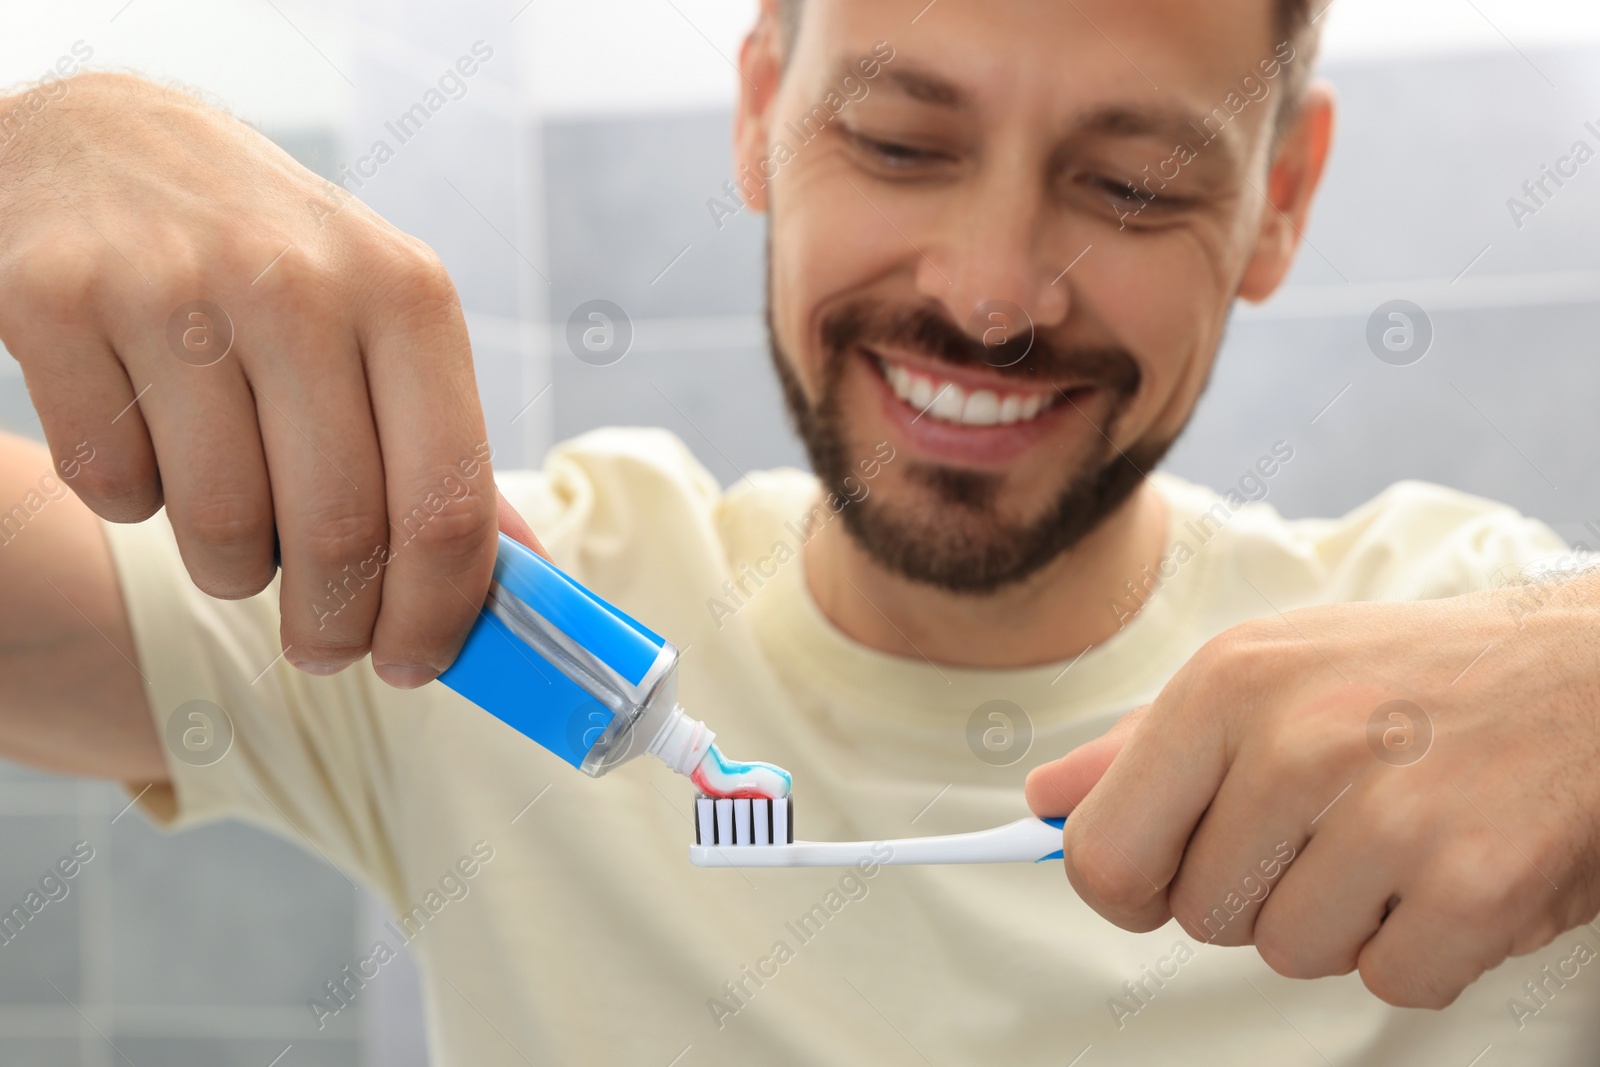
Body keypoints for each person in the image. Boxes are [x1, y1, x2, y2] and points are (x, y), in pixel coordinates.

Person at [1, 0, 1595, 1062]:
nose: (990, 291)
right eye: (900, 143)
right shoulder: (460, 599)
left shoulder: (1500, 683)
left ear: (1284, 198)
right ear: (762, 110)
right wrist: (34, 152)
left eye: (1132, 183)